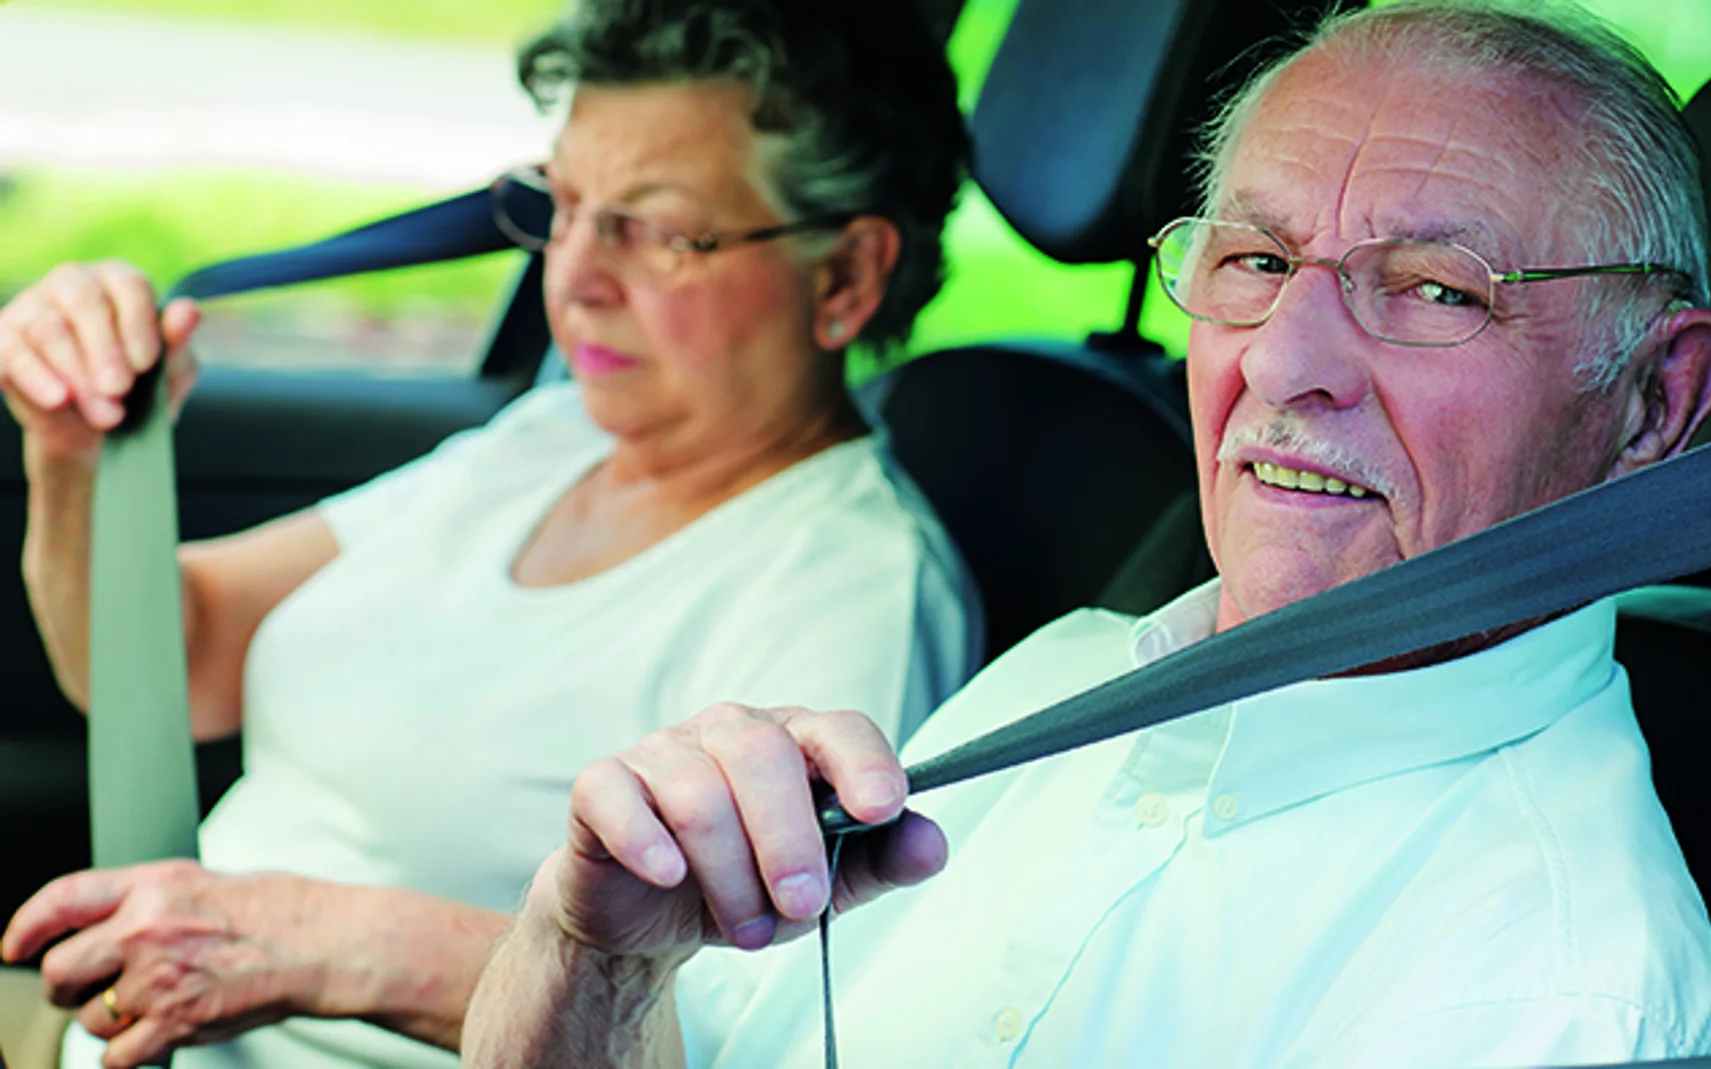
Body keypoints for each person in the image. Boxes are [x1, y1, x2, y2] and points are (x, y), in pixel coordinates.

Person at [458, 1, 1711, 1066]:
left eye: (1435, 289)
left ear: (1654, 402)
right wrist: (592, 965)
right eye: (1254, 261)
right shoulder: (1071, 672)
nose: (1281, 362)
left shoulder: (1556, 1006)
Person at [0, 2, 979, 1068]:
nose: (577, 277)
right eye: (564, 207)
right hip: (111, 1023)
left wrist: (323, 944)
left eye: (655, 230)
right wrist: (75, 450)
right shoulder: (552, 437)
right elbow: (169, 661)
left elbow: (754, 1034)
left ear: (844, 278)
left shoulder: (850, 584)